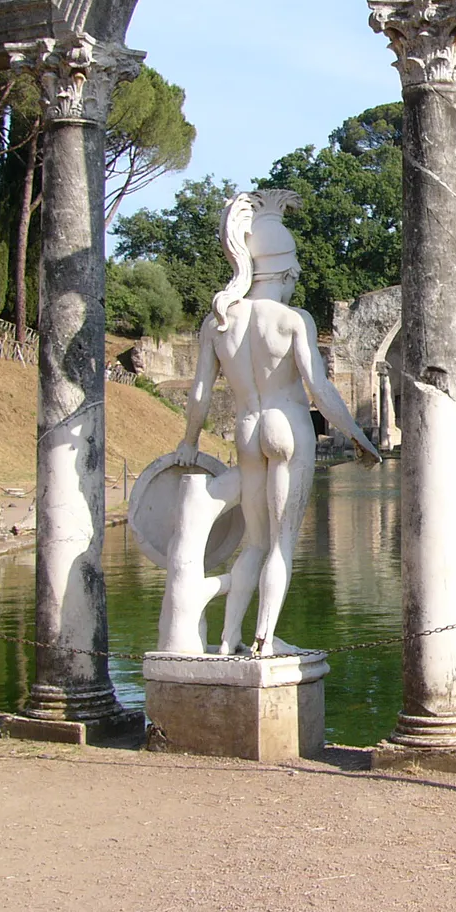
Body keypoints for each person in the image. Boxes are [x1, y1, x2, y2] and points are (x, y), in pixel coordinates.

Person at [177, 190, 380, 656]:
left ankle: (229, 641)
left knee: (253, 543)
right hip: (287, 427)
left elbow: (200, 394)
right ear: (286, 272)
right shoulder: (292, 319)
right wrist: (357, 436)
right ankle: (265, 642)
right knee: (282, 543)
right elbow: (321, 391)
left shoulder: (220, 321)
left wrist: (188, 443)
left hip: (246, 428)